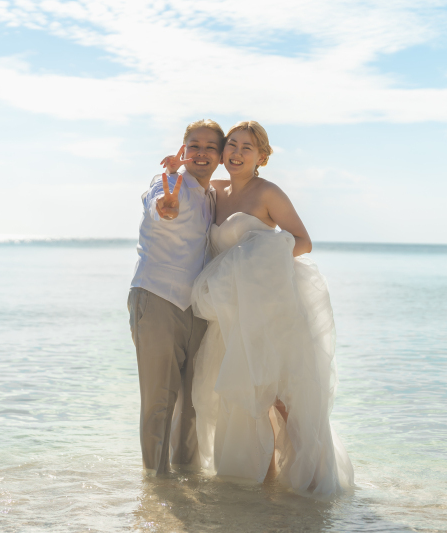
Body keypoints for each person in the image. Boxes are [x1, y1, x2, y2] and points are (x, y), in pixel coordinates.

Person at [190, 121, 354, 495]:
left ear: (261, 157)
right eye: (232, 144)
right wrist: (172, 166)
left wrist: (257, 260)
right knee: (247, 397)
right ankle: (263, 478)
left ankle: (309, 475)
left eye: (247, 147)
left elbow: (303, 242)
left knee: (281, 399)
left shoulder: (268, 193)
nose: (236, 152)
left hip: (270, 308)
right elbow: (186, 180)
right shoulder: (215, 190)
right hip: (233, 315)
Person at [128, 119, 225, 475]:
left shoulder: (210, 195)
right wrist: (165, 207)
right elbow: (160, 207)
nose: (201, 153)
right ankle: (155, 485)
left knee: (194, 402)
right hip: (157, 299)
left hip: (197, 308)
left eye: (209, 147)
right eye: (193, 146)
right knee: (158, 401)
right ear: (183, 150)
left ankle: (187, 481)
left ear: (219, 155)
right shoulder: (170, 185)